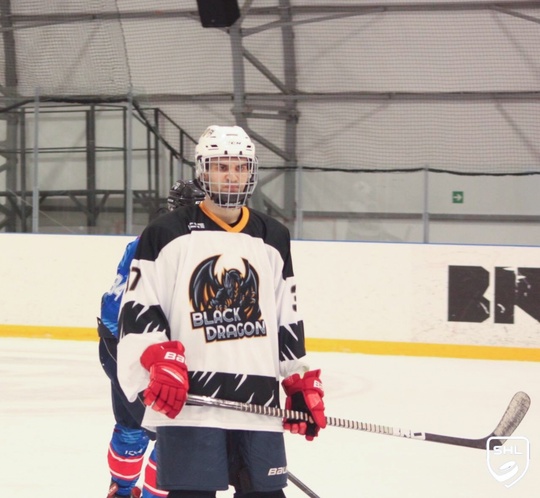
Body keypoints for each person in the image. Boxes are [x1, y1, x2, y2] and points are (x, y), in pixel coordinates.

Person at [117, 125, 326, 498]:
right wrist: (156, 359)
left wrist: (297, 380)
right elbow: (139, 308)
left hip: (257, 403)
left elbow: (286, 315)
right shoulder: (166, 233)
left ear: (251, 172)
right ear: (203, 170)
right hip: (192, 403)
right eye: (221, 166)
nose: (231, 176)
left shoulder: (272, 236)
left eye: (240, 167)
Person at [98, 180, 205, 498]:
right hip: (128, 347)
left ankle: (128, 492)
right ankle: (127, 491)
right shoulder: (163, 244)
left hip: (136, 345)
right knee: (166, 432)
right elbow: (127, 310)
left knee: (145, 429)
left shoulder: (173, 239)